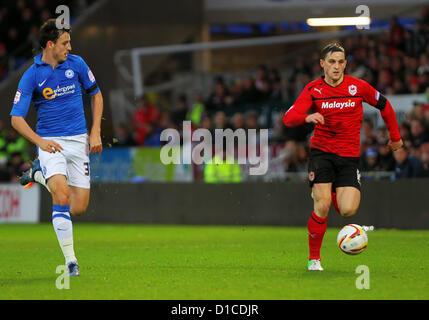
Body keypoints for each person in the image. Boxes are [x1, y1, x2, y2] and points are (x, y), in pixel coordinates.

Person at [283, 42, 403, 271]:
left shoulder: (358, 87)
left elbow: (385, 106)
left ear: (345, 63)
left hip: (348, 157)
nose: (336, 66)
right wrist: (307, 118)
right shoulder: (313, 89)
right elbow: (289, 117)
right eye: (331, 62)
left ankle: (328, 192)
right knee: (323, 205)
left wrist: (395, 137)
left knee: (348, 210)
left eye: (340, 62)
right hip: (321, 153)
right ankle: (314, 259)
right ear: (322, 64)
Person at [9, 19, 103, 276]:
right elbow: (16, 118)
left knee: (78, 207)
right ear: (50, 45)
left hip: (79, 141)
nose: (69, 48)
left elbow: (96, 94)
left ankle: (38, 174)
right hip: (51, 143)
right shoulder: (32, 74)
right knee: (61, 197)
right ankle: (71, 262)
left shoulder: (78, 64)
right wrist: (40, 143)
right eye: (65, 43)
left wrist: (95, 132)